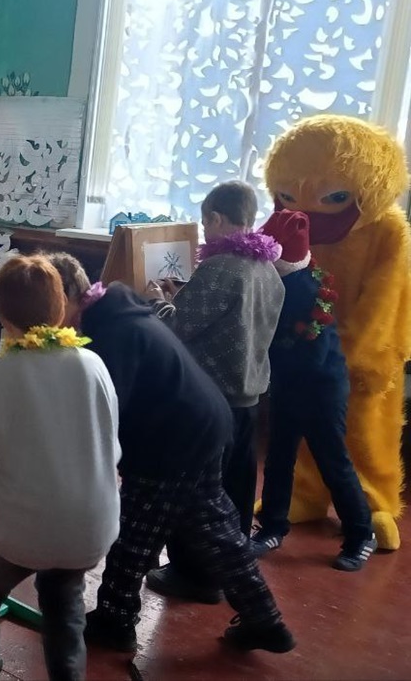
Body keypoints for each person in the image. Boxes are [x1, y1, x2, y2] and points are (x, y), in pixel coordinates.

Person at [41, 253, 295, 655]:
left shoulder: (112, 332)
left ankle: (114, 621)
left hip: (172, 441)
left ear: (68, 296)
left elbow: (105, 410)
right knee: (217, 532)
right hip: (201, 426)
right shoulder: (115, 313)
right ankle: (265, 620)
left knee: (133, 536)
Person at [0, 256, 121, 681]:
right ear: (61, 307)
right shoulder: (92, 364)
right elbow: (111, 448)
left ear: (2, 316)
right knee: (64, 597)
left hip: (24, 530)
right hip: (91, 526)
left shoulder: (0, 375)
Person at [144, 180, 284, 604]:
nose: (205, 230)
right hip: (249, 397)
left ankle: (195, 574)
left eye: (206, 222)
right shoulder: (266, 268)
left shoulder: (222, 267)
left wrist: (156, 301)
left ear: (218, 218)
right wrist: (183, 296)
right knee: (235, 488)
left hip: (210, 399)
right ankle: (227, 566)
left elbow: (177, 327)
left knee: (197, 489)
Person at [253, 210, 376, 570]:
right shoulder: (283, 278)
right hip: (289, 383)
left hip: (321, 387)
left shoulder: (302, 288)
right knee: (279, 457)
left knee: (332, 461)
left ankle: (361, 534)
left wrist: (263, 352)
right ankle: (272, 526)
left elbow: (307, 351)